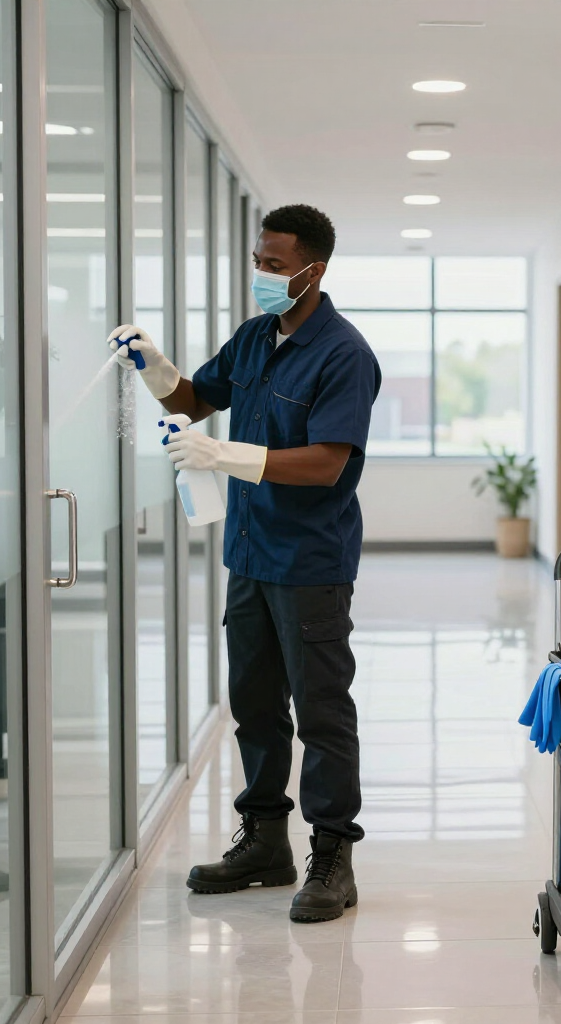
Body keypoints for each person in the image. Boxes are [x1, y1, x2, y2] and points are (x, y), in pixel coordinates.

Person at [109, 204, 381, 923]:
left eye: (273, 264)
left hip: (310, 561)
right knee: (256, 706)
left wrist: (225, 455)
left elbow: (326, 463)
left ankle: (332, 856)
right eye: (257, 259)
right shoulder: (255, 338)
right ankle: (265, 841)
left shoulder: (344, 355)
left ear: (312, 270)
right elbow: (195, 401)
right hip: (250, 555)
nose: (260, 273)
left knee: (321, 710)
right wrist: (152, 362)